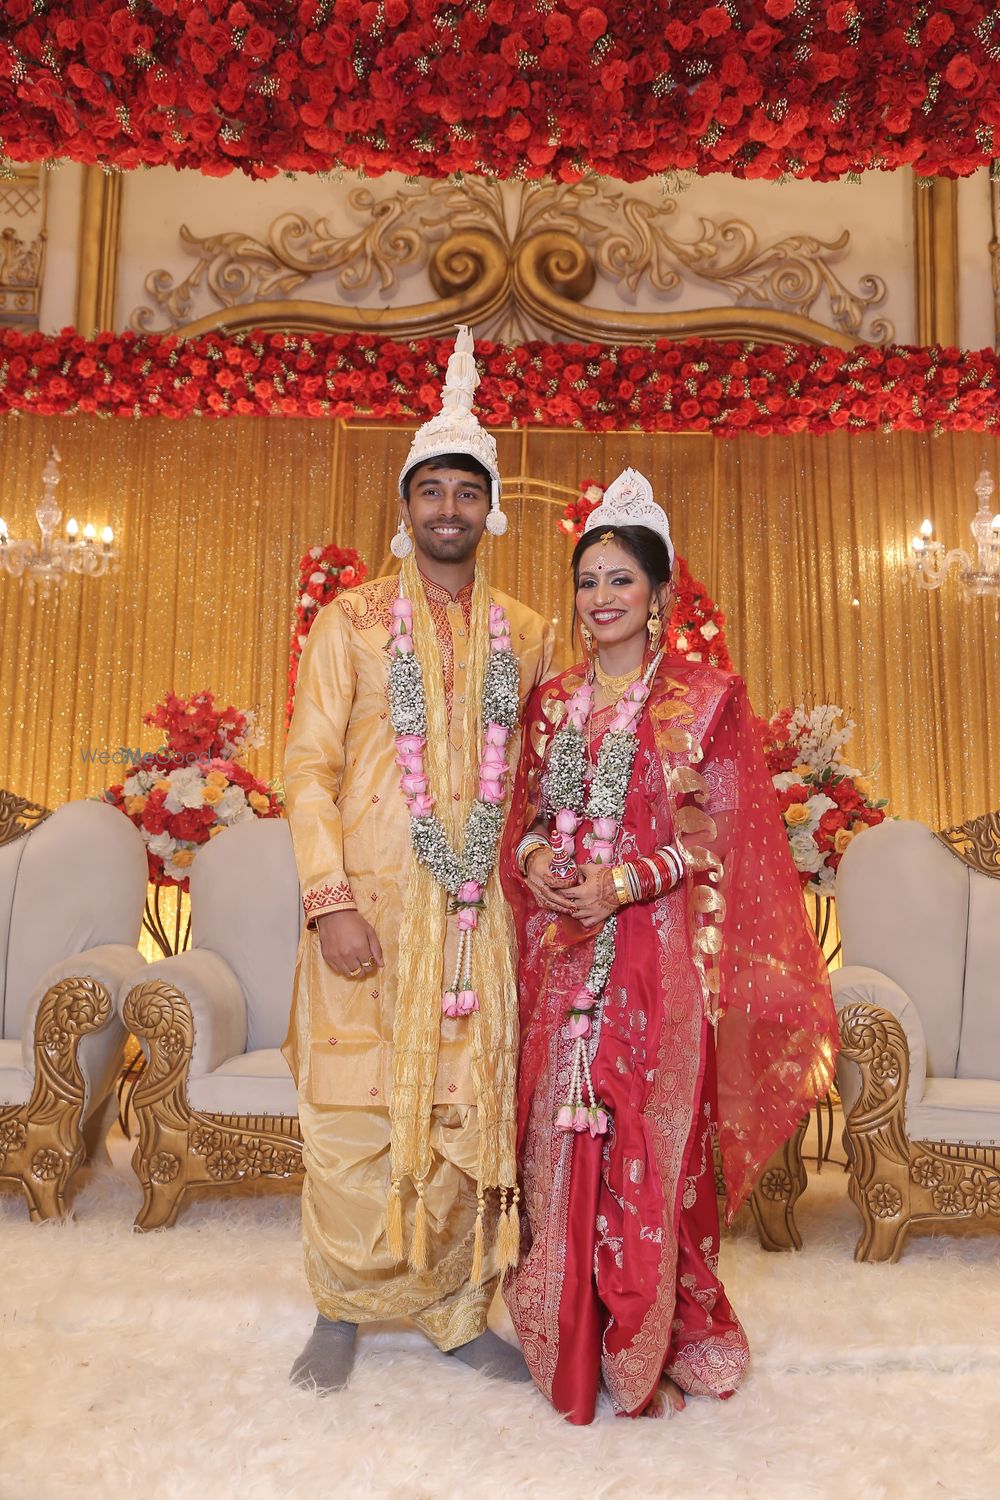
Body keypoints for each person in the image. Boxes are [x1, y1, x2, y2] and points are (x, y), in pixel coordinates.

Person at [501, 468, 838, 1424]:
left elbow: (717, 836)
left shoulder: (704, 698)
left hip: (653, 952)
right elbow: (530, 813)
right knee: (559, 1127)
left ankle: (658, 1331)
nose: (600, 598)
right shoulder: (553, 700)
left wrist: (618, 883)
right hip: (561, 951)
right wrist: (538, 860)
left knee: (646, 1134)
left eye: (621, 580)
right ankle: (567, 1324)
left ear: (658, 592)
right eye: (587, 581)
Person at [283, 327, 554, 1393]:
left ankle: (453, 1309)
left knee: (459, 1113)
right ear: (405, 508)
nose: (449, 508)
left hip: (475, 918)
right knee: (352, 1113)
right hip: (367, 907)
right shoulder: (350, 623)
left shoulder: (526, 632)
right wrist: (328, 901)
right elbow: (307, 768)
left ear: (491, 510)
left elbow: (532, 777)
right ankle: (341, 1307)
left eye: (466, 492)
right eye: (431, 490)